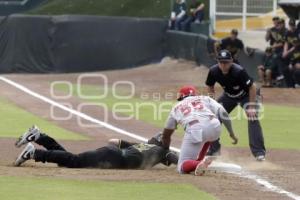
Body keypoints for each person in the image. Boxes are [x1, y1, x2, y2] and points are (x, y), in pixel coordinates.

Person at [14, 126, 178, 169]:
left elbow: (113, 140)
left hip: (111, 153)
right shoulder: (163, 152)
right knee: (74, 161)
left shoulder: (142, 146)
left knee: (69, 160)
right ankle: (35, 153)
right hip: (112, 158)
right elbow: (178, 159)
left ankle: (39, 137)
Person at [161, 86, 238, 175]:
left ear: (181, 96)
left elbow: (166, 135)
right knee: (208, 133)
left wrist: (165, 149)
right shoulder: (205, 98)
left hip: (196, 130)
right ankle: (200, 161)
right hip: (215, 127)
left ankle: (199, 163)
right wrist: (231, 133)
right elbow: (224, 113)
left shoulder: (175, 107)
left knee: (181, 166)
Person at [205, 50, 266, 161]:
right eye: (221, 62)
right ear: (217, 62)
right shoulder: (213, 71)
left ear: (231, 61)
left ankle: (259, 152)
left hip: (247, 95)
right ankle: (214, 150)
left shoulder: (238, 71)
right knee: (212, 117)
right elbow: (210, 86)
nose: (224, 65)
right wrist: (212, 103)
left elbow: (252, 87)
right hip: (229, 96)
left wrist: (251, 107)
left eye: (226, 62)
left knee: (253, 117)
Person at [282, 19, 299, 87]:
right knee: (286, 69)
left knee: (296, 71)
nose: (292, 27)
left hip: (295, 52)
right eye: (291, 25)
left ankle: (297, 84)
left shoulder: (298, 32)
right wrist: (285, 52)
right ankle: (290, 86)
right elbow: (286, 42)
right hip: (292, 52)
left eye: (293, 25)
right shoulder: (288, 32)